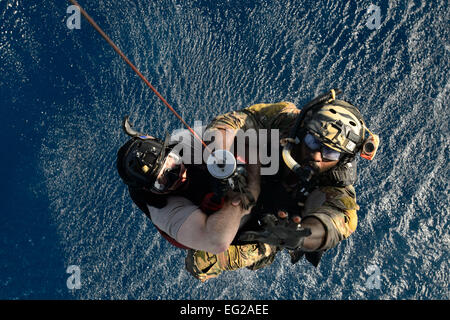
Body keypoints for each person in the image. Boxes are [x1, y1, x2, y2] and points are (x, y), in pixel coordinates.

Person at [185, 89, 379, 281]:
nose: (317, 155)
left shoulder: (338, 190)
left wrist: (301, 236)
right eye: (312, 141)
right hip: (249, 177)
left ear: (343, 159)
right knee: (179, 162)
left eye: (331, 153)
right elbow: (239, 120)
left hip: (271, 228)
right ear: (303, 130)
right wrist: (218, 151)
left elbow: (333, 222)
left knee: (201, 262)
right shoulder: (285, 118)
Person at [116, 118, 261, 254]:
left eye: (173, 163)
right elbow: (217, 242)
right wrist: (249, 191)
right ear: (151, 190)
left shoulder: (182, 142)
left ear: (171, 150)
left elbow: (235, 133)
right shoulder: (164, 211)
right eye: (162, 181)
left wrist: (220, 154)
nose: (178, 176)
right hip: (205, 228)